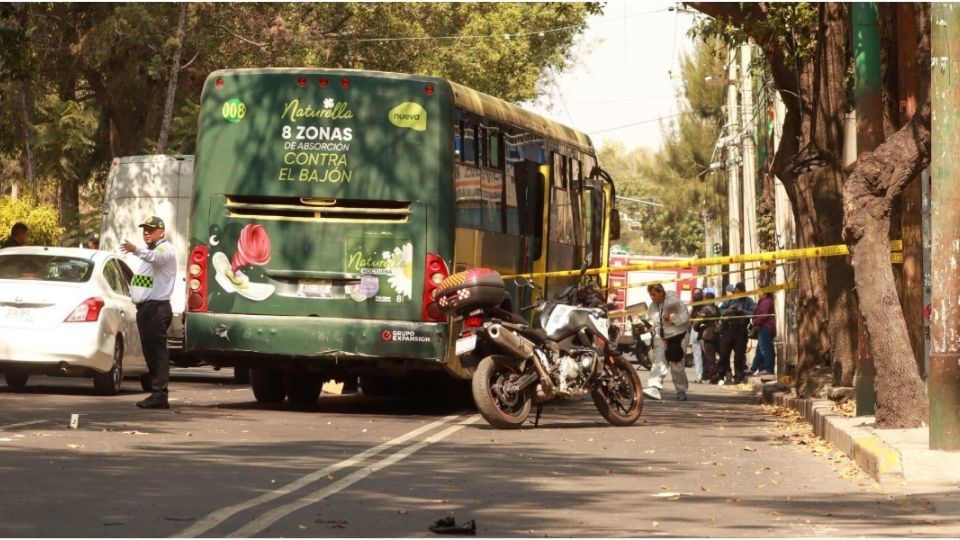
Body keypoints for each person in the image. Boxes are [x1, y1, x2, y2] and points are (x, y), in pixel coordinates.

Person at [121, 216, 176, 409]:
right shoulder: (151, 250)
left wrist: (135, 250)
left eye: (151, 230)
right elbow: (148, 280)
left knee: (157, 353)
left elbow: (157, 258)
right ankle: (157, 393)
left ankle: (160, 394)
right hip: (148, 309)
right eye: (144, 229)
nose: (146, 232)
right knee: (151, 353)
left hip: (156, 309)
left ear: (161, 232)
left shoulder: (164, 249)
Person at [642, 283, 691, 401]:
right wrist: (648, 326)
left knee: (677, 365)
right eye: (650, 295)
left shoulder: (675, 302)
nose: (652, 297)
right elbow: (653, 320)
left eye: (654, 294)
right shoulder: (652, 306)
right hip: (662, 337)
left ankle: (681, 390)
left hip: (678, 336)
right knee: (658, 362)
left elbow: (685, 319)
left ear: (661, 292)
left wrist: (672, 317)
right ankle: (653, 387)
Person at [717, 282, 756, 384]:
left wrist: (742, 311)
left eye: (739, 292)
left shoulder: (749, 301)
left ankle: (738, 377)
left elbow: (753, 313)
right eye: (736, 292)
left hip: (741, 331)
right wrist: (728, 311)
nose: (737, 294)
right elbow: (720, 311)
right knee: (724, 355)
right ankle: (724, 374)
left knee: (739, 356)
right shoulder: (729, 300)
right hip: (728, 330)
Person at [749, 291, 777, 375]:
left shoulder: (767, 302)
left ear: (765, 293)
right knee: (760, 350)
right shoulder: (762, 302)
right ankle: (753, 369)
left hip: (766, 327)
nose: (758, 293)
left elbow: (763, 316)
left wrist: (756, 323)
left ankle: (768, 369)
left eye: (759, 292)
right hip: (762, 327)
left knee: (765, 349)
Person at [697, 290, 721, 384]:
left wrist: (696, 327)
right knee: (717, 355)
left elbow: (697, 322)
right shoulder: (717, 309)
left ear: (706, 299)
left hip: (708, 334)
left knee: (709, 357)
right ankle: (718, 374)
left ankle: (713, 376)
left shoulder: (705, 309)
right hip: (717, 334)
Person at [688, 288, 705, 383]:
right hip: (694, 332)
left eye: (698, 294)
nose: (696, 295)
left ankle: (707, 375)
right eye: (695, 294)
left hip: (703, 332)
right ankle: (699, 376)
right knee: (697, 356)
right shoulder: (693, 306)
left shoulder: (705, 306)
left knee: (707, 355)